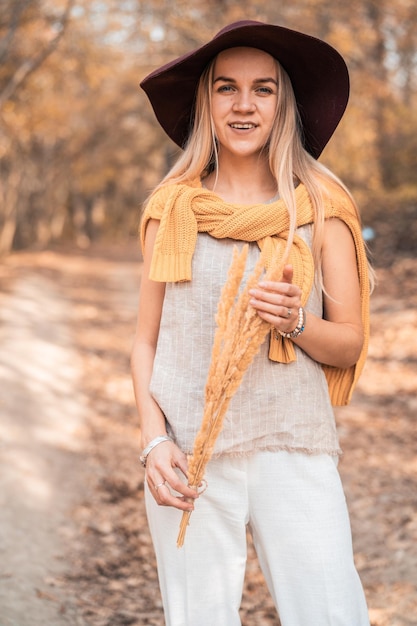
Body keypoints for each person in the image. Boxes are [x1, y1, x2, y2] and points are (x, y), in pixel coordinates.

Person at [131, 19, 373, 626]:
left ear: (283, 104)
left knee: (330, 614)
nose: (244, 105)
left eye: (263, 89)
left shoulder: (320, 211)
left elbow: (347, 345)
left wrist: (295, 322)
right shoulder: (173, 210)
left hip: (292, 447)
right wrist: (154, 442)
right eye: (226, 88)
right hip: (189, 457)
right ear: (205, 102)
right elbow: (145, 343)